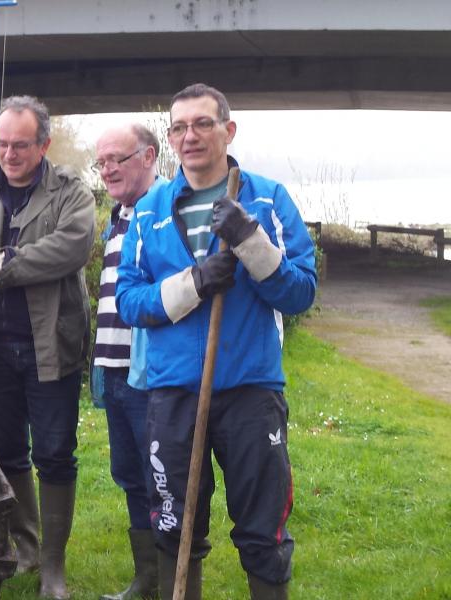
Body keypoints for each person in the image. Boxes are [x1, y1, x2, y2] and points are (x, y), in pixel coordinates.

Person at [116, 83, 317, 600]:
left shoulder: (268, 199)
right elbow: (130, 302)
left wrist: (251, 240)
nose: (190, 136)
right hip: (173, 392)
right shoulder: (150, 209)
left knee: (262, 527)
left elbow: (300, 292)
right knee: (175, 525)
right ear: (170, 138)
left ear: (228, 130)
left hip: (251, 389)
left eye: (203, 123)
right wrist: (196, 282)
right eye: (179, 127)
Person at [0, 95, 95, 600]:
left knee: (54, 453)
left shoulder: (70, 192)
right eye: (2, 144)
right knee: (6, 449)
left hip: (50, 345)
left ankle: (53, 566)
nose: (9, 154)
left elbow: (69, 249)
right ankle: (26, 546)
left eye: (21, 145)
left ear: (43, 145)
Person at [89, 124, 166, 600]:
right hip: (113, 370)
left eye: (117, 159)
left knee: (160, 477)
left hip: (150, 375)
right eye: (101, 162)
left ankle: (171, 576)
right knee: (130, 475)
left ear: (149, 156)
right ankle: (147, 580)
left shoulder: (164, 211)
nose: (107, 169)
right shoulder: (117, 216)